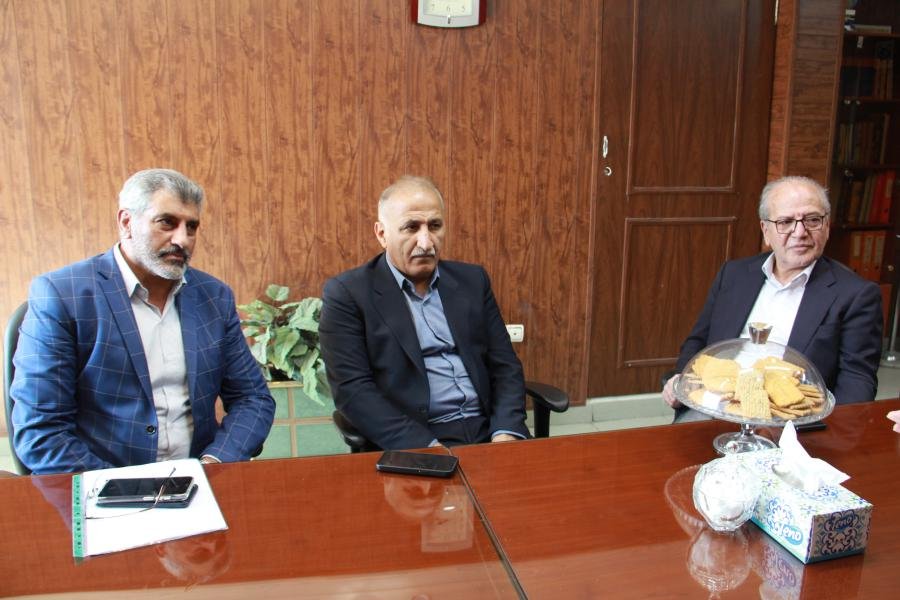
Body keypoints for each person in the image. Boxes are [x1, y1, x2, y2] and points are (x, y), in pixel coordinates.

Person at [11, 168, 275, 474]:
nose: (182, 239)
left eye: (191, 227)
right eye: (167, 222)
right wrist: (127, 489)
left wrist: (215, 462)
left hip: (199, 482)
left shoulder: (214, 297)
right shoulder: (62, 294)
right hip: (101, 486)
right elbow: (41, 432)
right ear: (126, 222)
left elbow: (253, 398)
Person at [319, 175, 530, 449]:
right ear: (382, 234)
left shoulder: (473, 281)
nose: (426, 242)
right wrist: (427, 448)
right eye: (411, 227)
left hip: (489, 430)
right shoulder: (348, 294)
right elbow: (354, 392)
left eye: (435, 226)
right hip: (416, 437)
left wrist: (505, 432)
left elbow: (505, 366)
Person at [662, 175, 883, 421]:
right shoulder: (733, 275)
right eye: (786, 222)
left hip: (789, 421)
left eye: (812, 220)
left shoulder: (856, 295)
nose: (800, 232)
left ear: (827, 226)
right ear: (766, 231)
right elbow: (698, 341)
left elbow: (857, 380)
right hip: (715, 404)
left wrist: (828, 434)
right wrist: (680, 378)